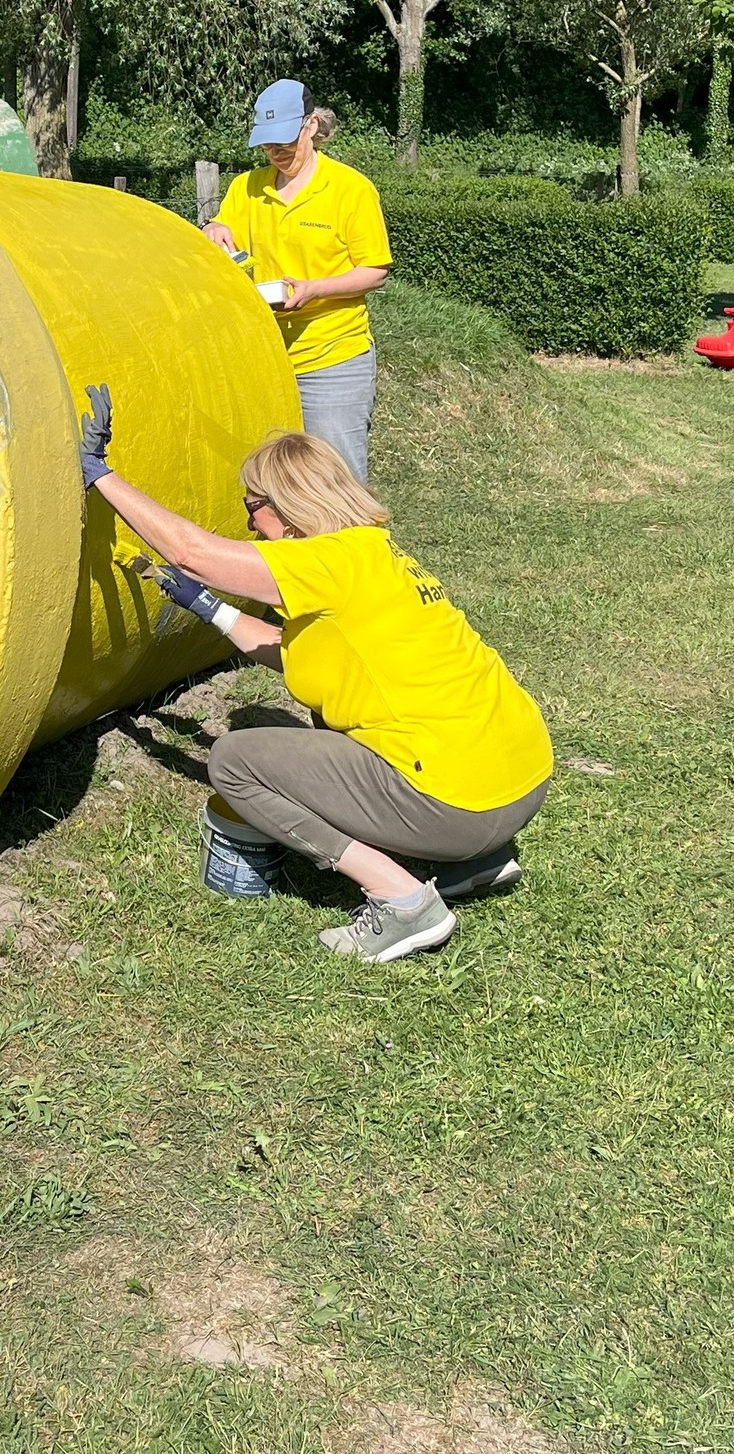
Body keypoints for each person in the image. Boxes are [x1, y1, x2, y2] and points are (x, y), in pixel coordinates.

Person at [79, 387, 552, 964]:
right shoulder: (372, 555)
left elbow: (192, 553)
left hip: (459, 806)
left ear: (287, 505)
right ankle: (470, 863)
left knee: (235, 762)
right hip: (518, 786)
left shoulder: (327, 562)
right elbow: (293, 654)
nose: (250, 524)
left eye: (252, 506)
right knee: (337, 725)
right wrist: (206, 607)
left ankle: (403, 900)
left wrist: (100, 474)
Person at [204, 79, 392, 484]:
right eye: (267, 144)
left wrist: (315, 288)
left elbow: (375, 270)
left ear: (311, 126)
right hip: (264, 357)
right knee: (273, 479)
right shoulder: (245, 187)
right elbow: (221, 234)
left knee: (337, 480)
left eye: (285, 140)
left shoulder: (351, 189)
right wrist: (213, 227)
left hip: (332, 355)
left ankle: (349, 530)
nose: (277, 151)